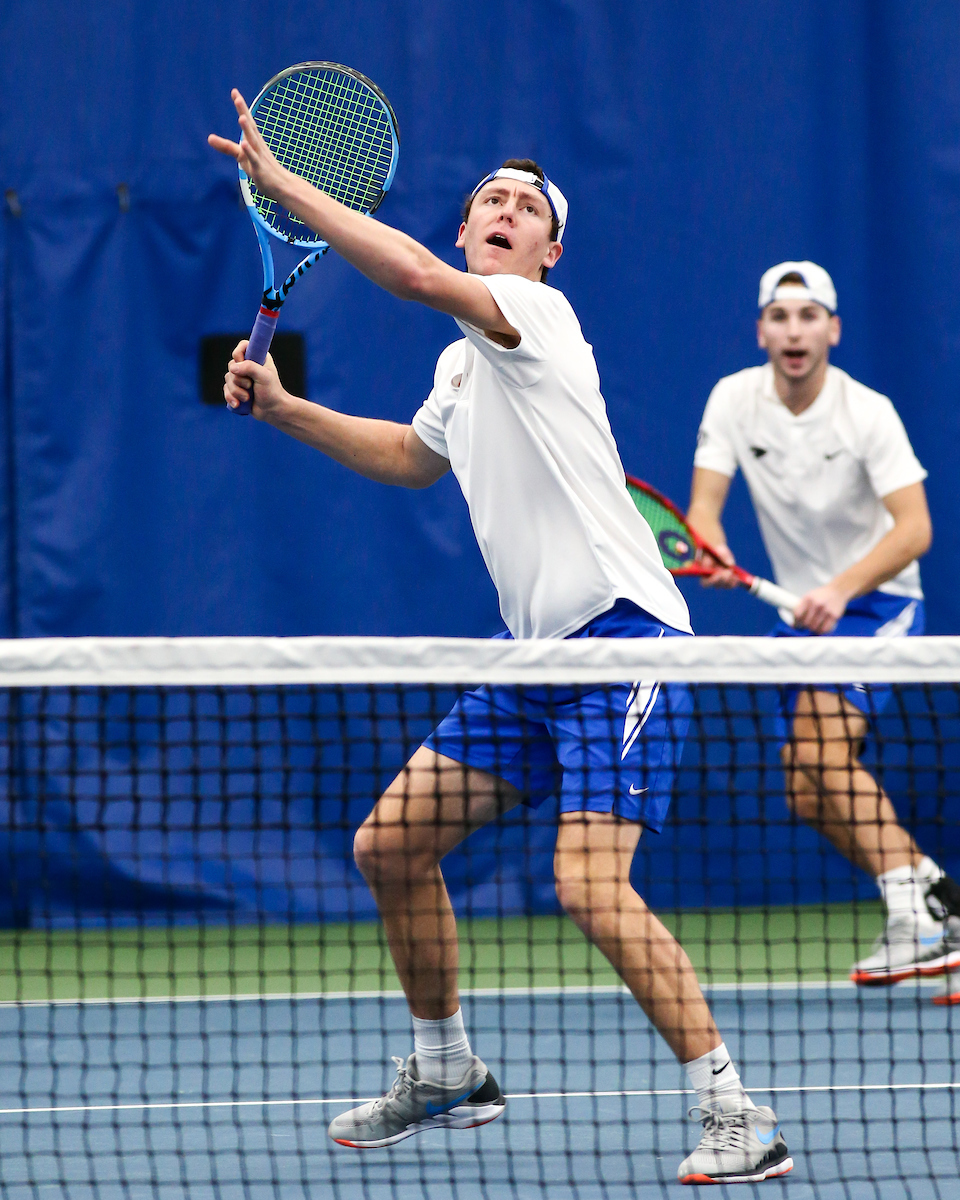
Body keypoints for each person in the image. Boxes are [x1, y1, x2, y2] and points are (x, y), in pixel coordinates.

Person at [209, 91, 793, 1185]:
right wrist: (289, 411)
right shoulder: (460, 367)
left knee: (588, 886)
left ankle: (737, 1113)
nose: (506, 208)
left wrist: (292, 190)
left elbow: (422, 281)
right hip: (533, 657)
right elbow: (410, 459)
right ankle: (446, 1069)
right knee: (390, 847)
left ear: (549, 252)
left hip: (624, 642)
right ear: (469, 223)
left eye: (528, 205)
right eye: (491, 198)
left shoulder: (539, 320)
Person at [687, 260, 960, 987]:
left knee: (821, 745)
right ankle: (938, 895)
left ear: (832, 329)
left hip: (875, 603)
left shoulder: (866, 411)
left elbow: (915, 529)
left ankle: (914, 916)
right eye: (780, 317)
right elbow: (704, 511)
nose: (794, 330)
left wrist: (840, 591)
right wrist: (712, 547)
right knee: (804, 788)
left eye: (809, 316)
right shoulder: (733, 400)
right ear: (762, 331)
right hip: (802, 615)